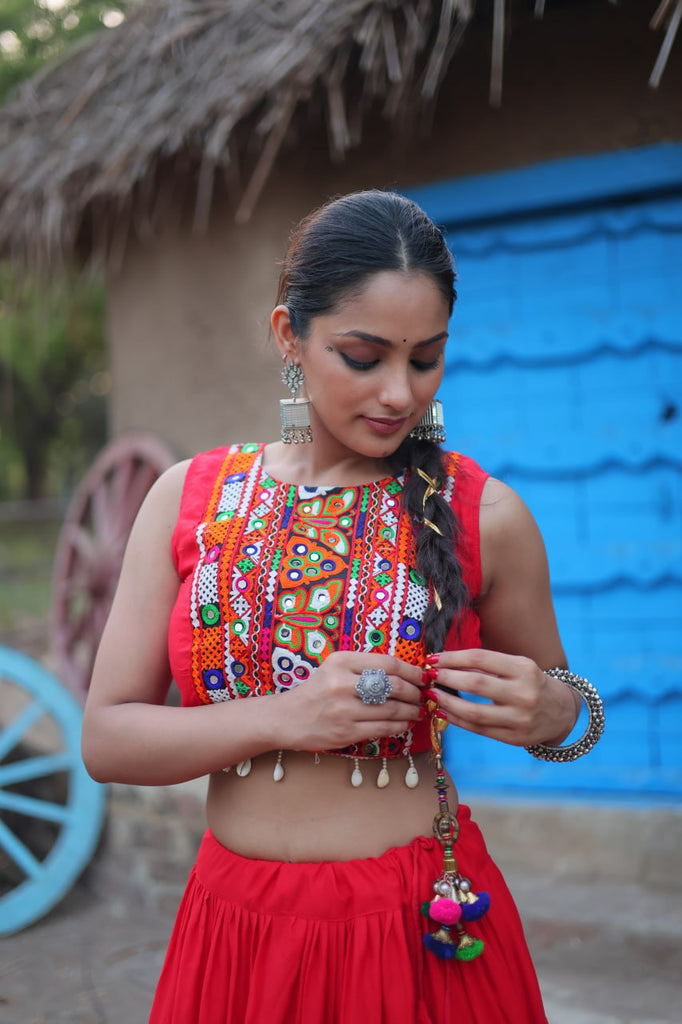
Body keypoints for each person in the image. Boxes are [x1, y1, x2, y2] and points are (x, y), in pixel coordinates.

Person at [81, 190, 604, 1024]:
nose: (400, 392)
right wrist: (289, 718)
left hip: (411, 931)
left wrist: (553, 711)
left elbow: (566, 707)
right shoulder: (190, 499)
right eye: (364, 356)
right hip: (234, 931)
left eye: (426, 358)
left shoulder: (486, 515)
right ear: (291, 335)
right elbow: (107, 739)